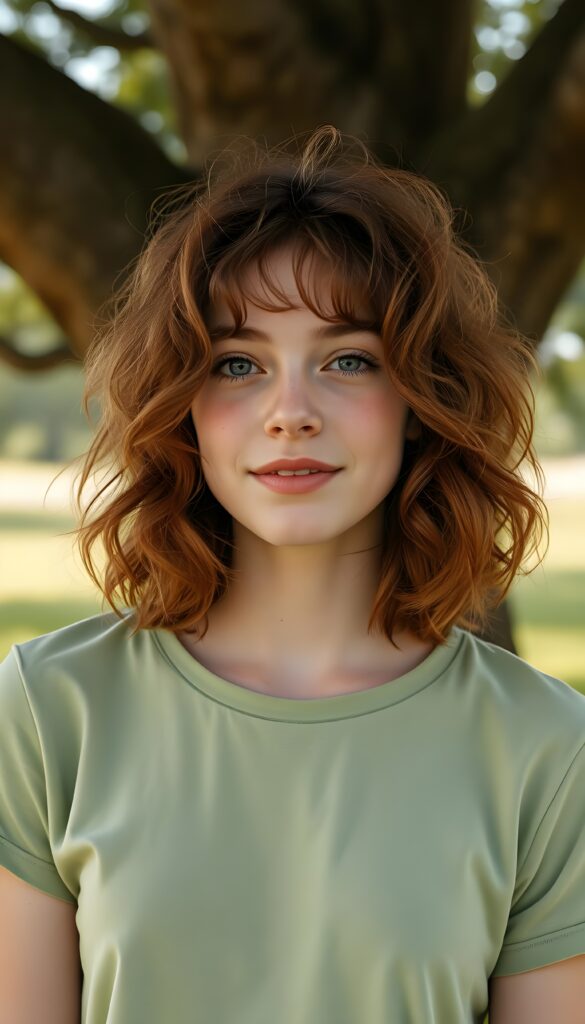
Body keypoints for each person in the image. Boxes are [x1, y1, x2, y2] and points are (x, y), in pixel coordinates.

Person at [1, 125, 584, 1024]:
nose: (289, 413)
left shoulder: (547, 747)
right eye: (237, 364)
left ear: (421, 400)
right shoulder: (47, 710)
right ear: (182, 407)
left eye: (348, 359)